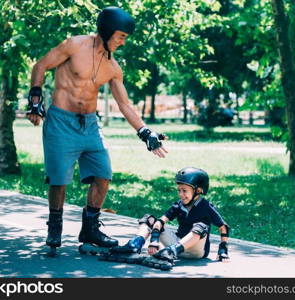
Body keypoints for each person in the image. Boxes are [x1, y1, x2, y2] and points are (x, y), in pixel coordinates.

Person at [26, 7, 168, 256]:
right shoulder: (74, 45)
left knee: (103, 174)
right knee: (59, 180)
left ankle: (90, 230)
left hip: (89, 125)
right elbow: (40, 66)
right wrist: (35, 100)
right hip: (60, 122)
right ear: (106, 31)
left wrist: (145, 132)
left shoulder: (113, 67)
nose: (123, 42)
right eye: (121, 36)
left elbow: (124, 104)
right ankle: (55, 227)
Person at [109, 167, 230, 268]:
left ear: (198, 190)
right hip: (176, 244)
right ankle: (135, 245)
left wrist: (223, 249)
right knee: (149, 219)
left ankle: (170, 251)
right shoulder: (179, 205)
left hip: (196, 250)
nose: (181, 194)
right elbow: (160, 222)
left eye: (184, 191)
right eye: (179, 190)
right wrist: (154, 240)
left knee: (201, 226)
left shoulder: (206, 206)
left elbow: (223, 227)